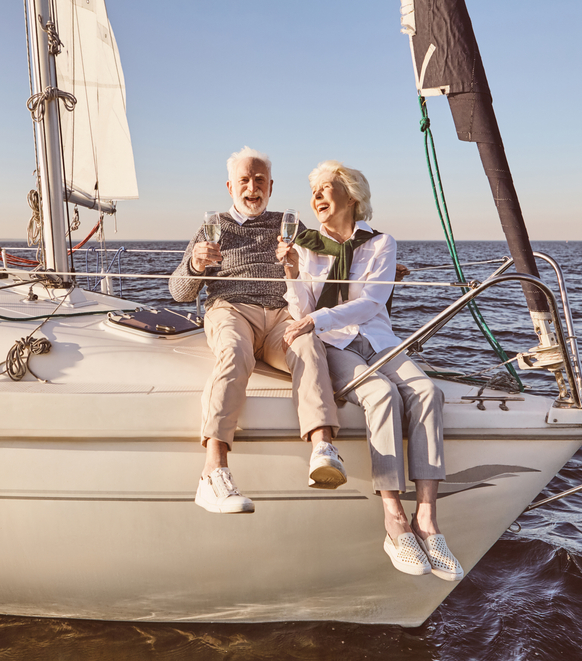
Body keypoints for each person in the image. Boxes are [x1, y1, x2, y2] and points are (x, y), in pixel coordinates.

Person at [277, 160, 463, 581]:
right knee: (381, 394)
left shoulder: (380, 244)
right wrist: (291, 274)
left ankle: (428, 520)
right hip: (334, 343)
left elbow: (373, 301)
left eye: (326, 188)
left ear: (352, 196)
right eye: (314, 191)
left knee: (428, 393)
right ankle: (394, 518)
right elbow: (302, 311)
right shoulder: (307, 246)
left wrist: (315, 319)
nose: (317, 197)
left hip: (377, 338)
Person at [169, 147, 343, 515]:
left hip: (283, 312)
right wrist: (197, 266)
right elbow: (180, 292)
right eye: (245, 180)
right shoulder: (213, 226)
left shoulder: (287, 224)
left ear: (271, 186)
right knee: (234, 353)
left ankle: (322, 449)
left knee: (309, 345)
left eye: (259, 180)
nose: (253, 187)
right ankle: (212, 473)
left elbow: (335, 251)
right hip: (232, 309)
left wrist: (381, 263)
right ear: (230, 186)